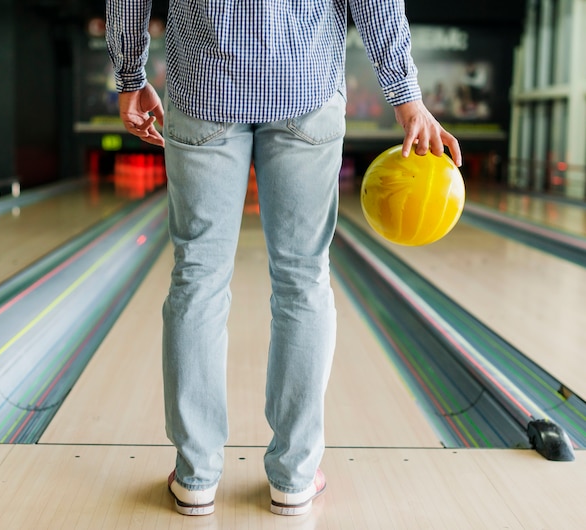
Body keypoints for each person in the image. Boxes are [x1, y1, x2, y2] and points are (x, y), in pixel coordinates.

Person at [106, 0, 462, 517]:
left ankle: (195, 476)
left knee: (197, 278)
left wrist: (129, 73)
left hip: (205, 87)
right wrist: (406, 97)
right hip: (305, 85)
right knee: (303, 280)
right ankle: (294, 477)